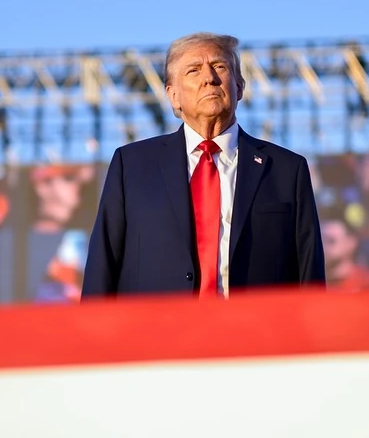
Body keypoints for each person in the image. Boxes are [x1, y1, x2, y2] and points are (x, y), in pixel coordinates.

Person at [81, 32, 325, 299]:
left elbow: (309, 276)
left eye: (219, 66)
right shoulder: (132, 166)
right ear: (173, 96)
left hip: (255, 335)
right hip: (155, 335)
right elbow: (103, 266)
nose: (209, 78)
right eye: (193, 71)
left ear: (240, 85)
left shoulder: (286, 170)